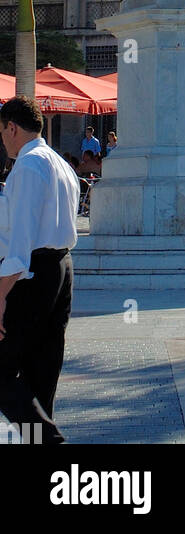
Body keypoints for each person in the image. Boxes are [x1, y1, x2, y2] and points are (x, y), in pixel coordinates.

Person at [0, 96, 80, 444]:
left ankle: (48, 440)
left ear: (12, 128)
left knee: (3, 369)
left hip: (34, 272)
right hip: (62, 268)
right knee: (41, 369)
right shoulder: (61, 164)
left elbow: (20, 246)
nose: (2, 140)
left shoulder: (29, 166)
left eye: (2, 132)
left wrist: (0, 296)